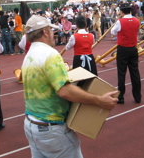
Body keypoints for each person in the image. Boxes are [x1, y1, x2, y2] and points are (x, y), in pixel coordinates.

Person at [21, 15, 118, 158]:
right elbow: (65, 91)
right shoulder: (50, 54)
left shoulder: (29, 55)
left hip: (31, 124)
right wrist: (99, 100)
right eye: (51, 31)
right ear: (45, 33)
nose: (53, 34)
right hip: (51, 127)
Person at [111, 3, 142, 104]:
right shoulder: (137, 20)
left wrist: (118, 20)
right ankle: (137, 97)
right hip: (133, 48)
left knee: (121, 73)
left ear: (121, 11)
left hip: (123, 49)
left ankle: (121, 97)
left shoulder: (120, 21)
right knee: (135, 73)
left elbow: (113, 32)